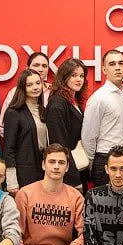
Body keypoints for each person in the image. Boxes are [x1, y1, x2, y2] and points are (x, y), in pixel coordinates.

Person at [82, 49, 123, 189]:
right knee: (106, 203)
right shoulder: (99, 98)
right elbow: (88, 136)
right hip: (105, 160)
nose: (117, 67)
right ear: (104, 69)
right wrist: (91, 165)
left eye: (121, 63)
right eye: (112, 64)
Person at [1, 70, 48, 192]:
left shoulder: (44, 110)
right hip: (23, 175)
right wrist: (12, 181)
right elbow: (8, 149)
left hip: (43, 171)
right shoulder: (13, 113)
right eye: (29, 85)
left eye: (38, 83)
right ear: (22, 88)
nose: (35, 87)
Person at [46, 58, 89, 189]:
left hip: (79, 166)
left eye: (81, 76)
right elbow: (59, 143)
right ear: (64, 77)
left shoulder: (74, 101)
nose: (79, 79)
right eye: (74, 75)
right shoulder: (57, 103)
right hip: (67, 174)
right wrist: (73, 178)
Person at [0, 50, 46, 134]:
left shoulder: (51, 93)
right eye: (36, 65)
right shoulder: (15, 95)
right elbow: (3, 128)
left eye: (44, 66)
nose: (40, 69)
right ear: (27, 67)